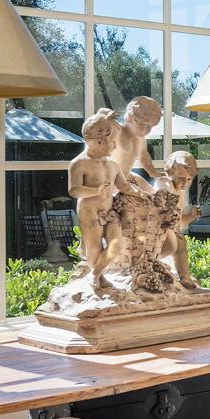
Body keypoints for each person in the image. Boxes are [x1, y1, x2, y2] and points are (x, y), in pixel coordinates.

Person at [69, 112, 125, 288]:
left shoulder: (112, 164)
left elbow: (124, 185)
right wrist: (95, 190)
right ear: (97, 140)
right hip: (89, 210)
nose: (116, 146)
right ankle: (99, 278)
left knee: (116, 246)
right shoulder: (79, 163)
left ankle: (95, 273)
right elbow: (74, 190)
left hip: (109, 211)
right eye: (113, 141)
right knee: (94, 247)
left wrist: (143, 193)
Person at [154, 151, 202, 289]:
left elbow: (179, 222)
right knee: (174, 244)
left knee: (181, 245)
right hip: (157, 228)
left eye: (189, 179)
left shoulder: (181, 194)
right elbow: (162, 192)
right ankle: (152, 264)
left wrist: (191, 216)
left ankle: (185, 277)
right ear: (170, 173)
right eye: (181, 178)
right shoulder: (165, 182)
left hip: (171, 229)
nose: (185, 182)